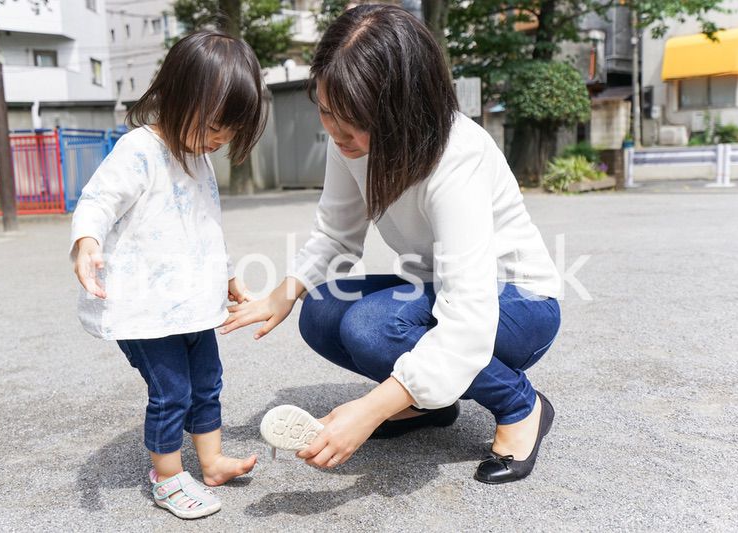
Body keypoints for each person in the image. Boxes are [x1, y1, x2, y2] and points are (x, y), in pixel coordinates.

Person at [222, 5, 562, 485]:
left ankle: (522, 406)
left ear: (404, 108)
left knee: (371, 325)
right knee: (320, 312)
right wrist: (283, 293)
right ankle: (429, 403)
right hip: (439, 288)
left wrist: (371, 408)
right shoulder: (354, 142)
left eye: (353, 120)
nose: (336, 133)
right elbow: (337, 233)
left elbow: (468, 313)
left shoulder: (455, 155)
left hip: (519, 304)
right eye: (324, 110)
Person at [70, 31, 266, 518]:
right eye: (216, 126)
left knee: (209, 382)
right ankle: (168, 477)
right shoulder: (138, 150)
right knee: (172, 391)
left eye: (231, 133)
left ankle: (212, 461)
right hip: (144, 309)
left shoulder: (199, 159)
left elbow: (205, 225)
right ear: (179, 96)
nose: (221, 140)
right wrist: (86, 241)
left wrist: (226, 276)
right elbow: (98, 201)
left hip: (192, 304)